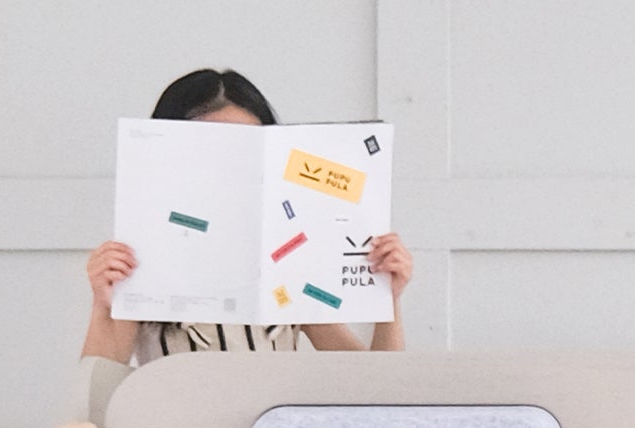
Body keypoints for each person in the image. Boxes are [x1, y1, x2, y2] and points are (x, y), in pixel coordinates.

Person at [80, 68, 413, 365]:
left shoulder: (287, 267)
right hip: (176, 418)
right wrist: (102, 305)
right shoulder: (146, 260)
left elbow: (371, 385)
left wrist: (388, 299)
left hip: (271, 418)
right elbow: (96, 392)